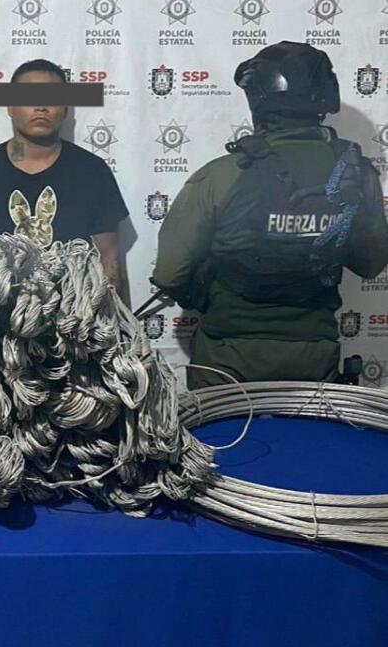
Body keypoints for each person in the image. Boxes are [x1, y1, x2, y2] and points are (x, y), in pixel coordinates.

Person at [152, 41, 388, 389]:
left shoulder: (222, 174)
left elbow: (170, 273)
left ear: (257, 99)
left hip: (226, 359)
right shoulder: (356, 175)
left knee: (218, 429)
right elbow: (371, 264)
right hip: (314, 359)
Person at [0, 58, 129, 292]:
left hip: (74, 311)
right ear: (10, 107)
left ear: (65, 109)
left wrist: (114, 313)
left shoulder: (92, 172)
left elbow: (109, 260)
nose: (41, 106)